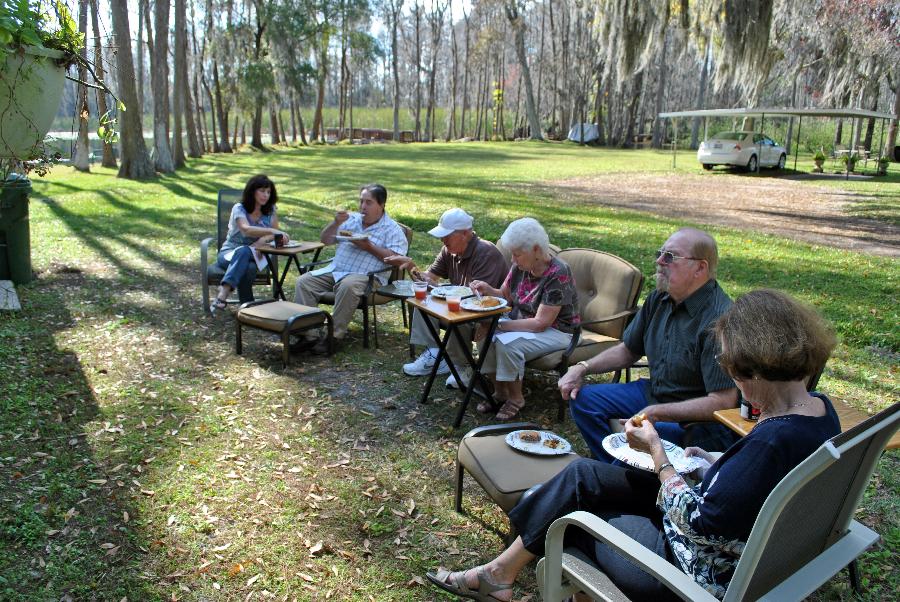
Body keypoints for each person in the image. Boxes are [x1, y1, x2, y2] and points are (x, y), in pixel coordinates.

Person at [427, 289, 840, 601]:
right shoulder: (817, 409)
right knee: (582, 474)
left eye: (733, 369)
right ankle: (501, 572)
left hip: (688, 573)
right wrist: (713, 459)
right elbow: (754, 483)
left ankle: (501, 572)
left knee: (574, 511)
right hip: (736, 541)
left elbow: (700, 523)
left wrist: (659, 455)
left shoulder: (772, 438)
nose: (733, 381)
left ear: (758, 365)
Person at [559, 227, 738, 459]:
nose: (659, 261)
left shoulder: (719, 319)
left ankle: (625, 472)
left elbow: (723, 402)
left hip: (693, 419)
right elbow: (628, 350)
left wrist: (659, 413)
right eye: (660, 253)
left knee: (652, 431)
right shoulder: (660, 298)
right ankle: (613, 466)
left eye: (670, 257)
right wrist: (581, 367)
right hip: (653, 394)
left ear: (700, 268)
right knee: (583, 399)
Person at [469, 217, 580, 421]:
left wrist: (499, 326)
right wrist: (488, 290)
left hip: (557, 331)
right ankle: (499, 391)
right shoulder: (520, 266)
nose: (513, 260)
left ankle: (516, 398)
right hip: (525, 324)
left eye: (517, 254)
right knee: (484, 335)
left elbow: (541, 323)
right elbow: (504, 294)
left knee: (507, 344)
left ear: (536, 249)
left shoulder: (558, 272)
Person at [384, 208, 508, 385]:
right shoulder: (449, 250)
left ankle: (463, 365)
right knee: (423, 297)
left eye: (447, 235)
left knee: (457, 312)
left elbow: (478, 298)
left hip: (487, 312)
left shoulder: (486, 253)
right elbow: (430, 279)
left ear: (465, 233)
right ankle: (437, 353)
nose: (443, 240)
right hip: (463, 304)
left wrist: (443, 291)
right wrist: (411, 266)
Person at [293, 184, 408, 353]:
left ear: (381, 204)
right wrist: (335, 223)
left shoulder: (392, 229)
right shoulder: (351, 220)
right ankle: (307, 335)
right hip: (336, 270)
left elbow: (398, 260)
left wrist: (368, 246)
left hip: (368, 277)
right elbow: (325, 240)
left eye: (368, 202)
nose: (362, 206)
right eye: (361, 201)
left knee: (348, 285)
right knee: (304, 282)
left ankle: (334, 336)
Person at [210, 174, 289, 314]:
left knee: (246, 254)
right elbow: (246, 229)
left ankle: (224, 291)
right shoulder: (239, 208)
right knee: (247, 261)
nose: (266, 195)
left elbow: (274, 235)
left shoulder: (270, 210)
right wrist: (270, 231)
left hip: (258, 253)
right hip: (230, 252)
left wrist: (263, 240)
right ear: (252, 191)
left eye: (269, 192)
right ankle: (247, 307)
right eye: (262, 191)